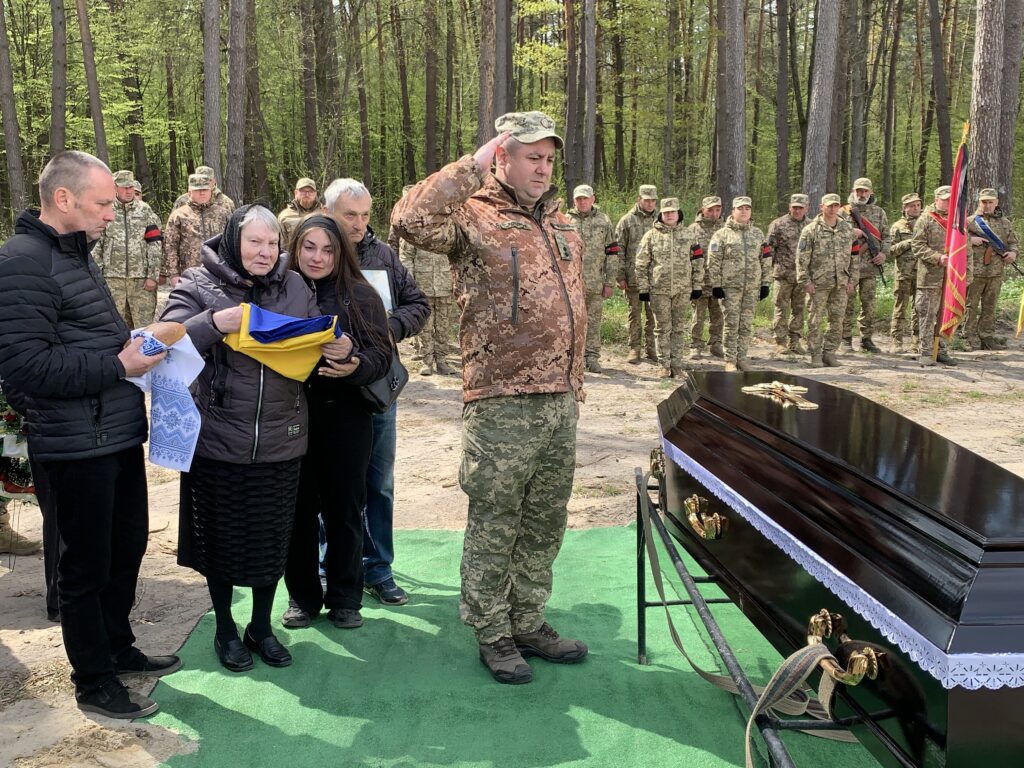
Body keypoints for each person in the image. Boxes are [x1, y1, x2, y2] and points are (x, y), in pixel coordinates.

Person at [392, 110, 588, 686]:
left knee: (545, 520)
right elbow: (409, 219)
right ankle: (492, 630)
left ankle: (527, 620)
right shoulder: (472, 215)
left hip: (560, 396)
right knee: (496, 519)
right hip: (501, 399)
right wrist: (472, 165)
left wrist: (575, 380)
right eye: (531, 157)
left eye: (549, 159)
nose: (543, 169)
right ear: (502, 157)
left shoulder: (560, 220)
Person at [0, 150, 177, 719]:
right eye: (102, 203)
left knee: (126, 548)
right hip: (74, 446)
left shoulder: (75, 256)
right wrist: (119, 365)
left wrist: (132, 346)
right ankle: (94, 681)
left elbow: (85, 339)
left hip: (115, 434)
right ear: (63, 198)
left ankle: (118, 648)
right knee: (84, 567)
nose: (110, 213)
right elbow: (25, 366)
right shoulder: (23, 262)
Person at [160, 204, 337, 672]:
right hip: (218, 439)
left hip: (282, 439)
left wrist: (335, 346)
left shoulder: (295, 286)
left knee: (270, 542)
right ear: (232, 241)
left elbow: (314, 340)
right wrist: (214, 323)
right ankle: (225, 629)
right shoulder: (197, 283)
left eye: (272, 242)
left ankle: (261, 627)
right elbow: (164, 341)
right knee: (221, 542)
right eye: (254, 242)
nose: (265, 252)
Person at [282, 216, 391, 631]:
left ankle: (346, 598)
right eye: (309, 247)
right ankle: (302, 597)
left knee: (344, 509)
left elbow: (382, 356)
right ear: (295, 248)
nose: (318, 257)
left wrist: (354, 360)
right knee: (298, 512)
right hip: (289, 417)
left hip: (346, 417)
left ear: (340, 253)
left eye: (328, 249)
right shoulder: (277, 291)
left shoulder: (360, 294)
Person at [323, 178, 429, 606]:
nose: (359, 224)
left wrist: (387, 328)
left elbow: (418, 305)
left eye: (365, 215)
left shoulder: (383, 255)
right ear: (328, 213)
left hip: (377, 388)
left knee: (378, 482)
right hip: (326, 389)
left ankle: (378, 568)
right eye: (350, 215)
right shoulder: (312, 254)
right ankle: (327, 568)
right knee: (328, 482)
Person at [635, 197, 703, 378]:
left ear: (678, 213)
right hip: (659, 290)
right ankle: (664, 364)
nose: (669, 215)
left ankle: (677, 365)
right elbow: (641, 264)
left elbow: (698, 261)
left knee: (679, 328)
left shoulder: (689, 235)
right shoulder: (651, 236)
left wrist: (697, 285)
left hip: (683, 289)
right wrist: (643, 288)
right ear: (661, 215)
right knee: (662, 328)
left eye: (672, 212)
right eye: (666, 213)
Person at [707, 196, 771, 372]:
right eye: (740, 209)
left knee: (746, 324)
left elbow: (765, 259)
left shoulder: (758, 234)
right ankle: (730, 359)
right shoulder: (722, 234)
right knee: (731, 323)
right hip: (730, 288)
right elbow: (713, 261)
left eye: (747, 209)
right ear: (733, 211)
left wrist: (765, 283)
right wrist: (716, 285)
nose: (744, 212)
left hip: (751, 287)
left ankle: (742, 358)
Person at [93, 170, 163, 327]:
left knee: (144, 327)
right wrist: (99, 277)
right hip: (112, 279)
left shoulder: (145, 211)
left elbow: (155, 244)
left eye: (131, 187)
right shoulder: (105, 211)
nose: (129, 191)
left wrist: (152, 275)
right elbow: (96, 245)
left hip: (141, 280)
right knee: (114, 325)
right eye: (125, 187)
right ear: (115, 188)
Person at [796, 194, 855, 367]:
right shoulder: (811, 229)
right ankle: (815, 354)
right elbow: (801, 258)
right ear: (822, 207)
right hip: (818, 283)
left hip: (841, 282)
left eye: (835, 206)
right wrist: (805, 281)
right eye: (829, 206)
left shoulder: (846, 228)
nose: (832, 209)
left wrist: (852, 279)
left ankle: (829, 353)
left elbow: (854, 256)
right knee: (815, 320)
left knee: (837, 320)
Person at [911, 185, 966, 367]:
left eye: (951, 200)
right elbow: (917, 246)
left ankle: (941, 350)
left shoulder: (957, 222)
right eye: (945, 200)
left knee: (946, 315)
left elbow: (966, 250)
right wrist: (937, 258)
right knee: (927, 316)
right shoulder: (926, 219)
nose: (948, 203)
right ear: (936, 200)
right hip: (930, 278)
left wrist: (967, 274)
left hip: (951, 279)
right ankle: (926, 352)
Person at [567, 184, 617, 373]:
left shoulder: (604, 221)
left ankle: (592, 357)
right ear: (574, 200)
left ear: (593, 199)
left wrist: (609, 282)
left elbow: (612, 253)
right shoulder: (564, 220)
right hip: (570, 284)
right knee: (572, 322)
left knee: (593, 321)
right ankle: (574, 359)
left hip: (595, 282)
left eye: (585, 198)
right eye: (579, 199)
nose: (582, 202)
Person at [964, 188, 1019, 350]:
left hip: (996, 272)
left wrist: (1013, 253)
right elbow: (955, 241)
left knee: (990, 306)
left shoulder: (1004, 223)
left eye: (990, 202)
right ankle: (967, 337)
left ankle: (986, 337)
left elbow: (1013, 243)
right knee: (970, 306)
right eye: (984, 202)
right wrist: (970, 240)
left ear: (996, 203)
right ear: (979, 202)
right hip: (974, 272)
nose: (987, 205)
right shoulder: (969, 222)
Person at [840, 177, 890, 353]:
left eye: (865, 191)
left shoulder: (879, 212)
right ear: (853, 192)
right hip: (848, 267)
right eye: (858, 191)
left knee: (869, 305)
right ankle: (845, 338)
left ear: (870, 192)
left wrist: (883, 254)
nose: (861, 194)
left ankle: (866, 339)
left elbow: (886, 236)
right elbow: (834, 233)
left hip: (870, 267)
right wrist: (851, 232)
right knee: (847, 304)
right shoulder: (843, 212)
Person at [615, 184, 659, 364]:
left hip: (655, 278)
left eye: (653, 200)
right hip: (633, 277)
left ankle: (651, 348)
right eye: (646, 200)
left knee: (653, 314)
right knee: (634, 314)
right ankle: (634, 348)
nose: (650, 204)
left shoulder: (661, 220)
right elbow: (618, 250)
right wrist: (620, 276)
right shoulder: (627, 221)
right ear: (639, 199)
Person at [162, 173, 231, 287]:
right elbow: (170, 246)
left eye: (205, 189)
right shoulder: (179, 215)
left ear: (211, 191)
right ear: (190, 192)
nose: (202, 193)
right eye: (198, 190)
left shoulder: (223, 214)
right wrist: (173, 274)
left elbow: (231, 244)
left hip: (219, 274)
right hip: (189, 274)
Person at [767, 194, 809, 355]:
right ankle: (780, 341)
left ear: (807, 208)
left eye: (800, 208)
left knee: (799, 309)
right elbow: (769, 250)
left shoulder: (811, 226)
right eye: (794, 207)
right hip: (783, 275)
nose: (797, 210)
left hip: (802, 276)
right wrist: (769, 271)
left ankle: (795, 341)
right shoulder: (778, 224)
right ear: (790, 207)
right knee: (781, 309)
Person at [687, 196, 725, 359]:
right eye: (710, 210)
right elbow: (686, 256)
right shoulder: (693, 230)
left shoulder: (725, 229)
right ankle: (696, 345)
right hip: (700, 281)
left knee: (718, 315)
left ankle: (716, 343)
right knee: (698, 316)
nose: (714, 213)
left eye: (717, 210)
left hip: (719, 281)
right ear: (703, 210)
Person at [889, 193, 923, 354]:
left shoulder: (925, 224)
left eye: (918, 205)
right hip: (904, 273)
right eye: (911, 206)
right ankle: (896, 340)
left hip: (923, 273)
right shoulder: (897, 226)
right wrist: (908, 242)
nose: (915, 208)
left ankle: (916, 341)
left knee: (920, 308)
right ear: (904, 208)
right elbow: (890, 251)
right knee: (900, 308)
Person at [278, 177, 321, 243]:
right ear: (296, 193)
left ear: (315, 194)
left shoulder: (324, 214)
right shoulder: (284, 216)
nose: (307, 194)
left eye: (310, 191)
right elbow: (281, 245)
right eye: (303, 191)